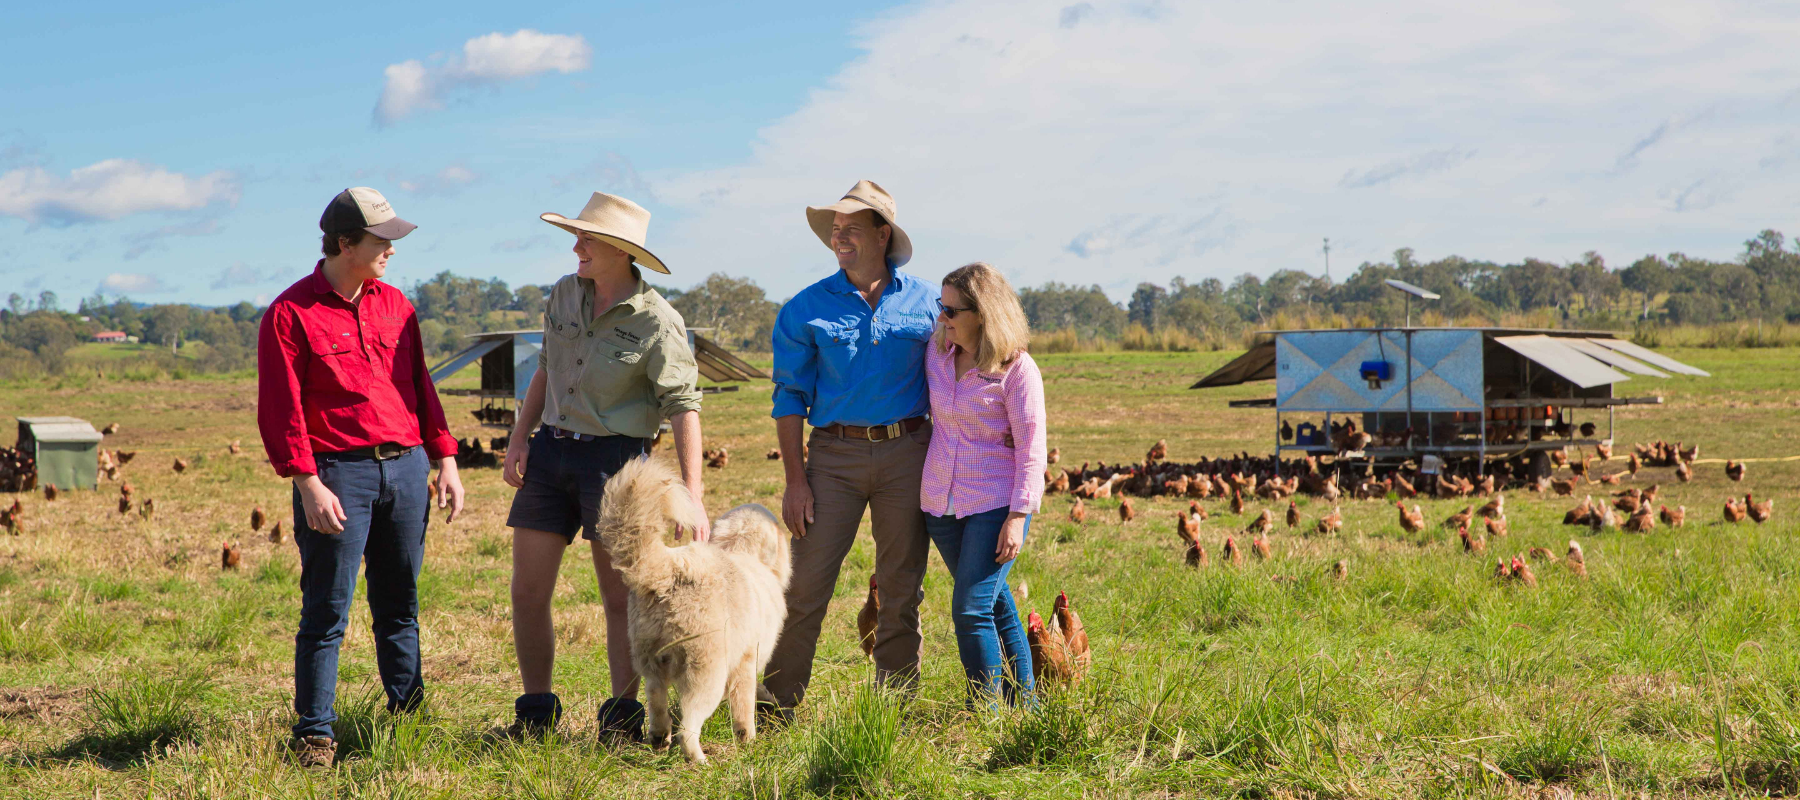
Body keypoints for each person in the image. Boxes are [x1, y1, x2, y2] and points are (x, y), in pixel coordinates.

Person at [257, 187, 466, 768]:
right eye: (382, 240)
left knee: (400, 603)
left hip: (406, 469)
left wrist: (445, 458)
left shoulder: (397, 305)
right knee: (327, 610)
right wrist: (308, 483)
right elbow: (282, 409)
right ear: (345, 243)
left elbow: (419, 387)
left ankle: (407, 722)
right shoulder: (289, 313)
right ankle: (315, 735)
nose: (391, 250)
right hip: (336, 476)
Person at [501, 192, 708, 742]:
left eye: (587, 239)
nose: (576, 247)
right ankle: (535, 714)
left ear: (620, 250)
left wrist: (693, 495)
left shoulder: (660, 321)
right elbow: (545, 367)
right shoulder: (565, 294)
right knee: (527, 590)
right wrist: (520, 439)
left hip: (617, 466)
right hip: (550, 454)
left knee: (620, 599)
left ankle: (621, 720)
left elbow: (684, 406)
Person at [764, 180, 938, 719]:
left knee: (900, 587)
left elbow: (967, 369)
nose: (838, 238)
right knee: (804, 585)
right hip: (832, 461)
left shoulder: (930, 301)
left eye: (851, 229)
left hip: (909, 452)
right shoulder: (805, 307)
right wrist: (796, 480)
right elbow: (789, 396)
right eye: (834, 230)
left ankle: (893, 714)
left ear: (883, 235)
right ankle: (774, 707)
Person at [919, 263, 1045, 709]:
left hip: (994, 503)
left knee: (970, 609)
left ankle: (986, 716)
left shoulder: (1017, 370)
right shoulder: (937, 354)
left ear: (984, 313)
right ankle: (1025, 705)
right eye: (941, 307)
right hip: (941, 504)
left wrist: (1017, 517)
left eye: (952, 311)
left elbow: (1031, 448)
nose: (942, 318)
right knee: (995, 605)